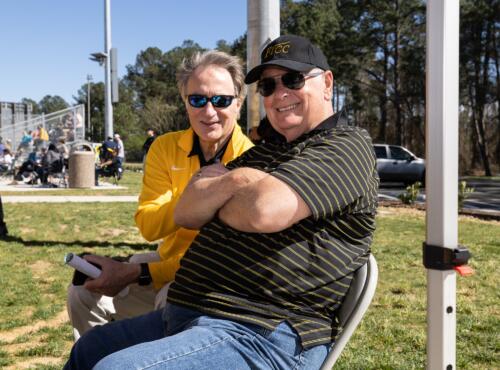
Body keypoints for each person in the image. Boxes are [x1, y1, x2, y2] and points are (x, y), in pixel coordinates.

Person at [64, 35, 378, 370]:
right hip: (195, 313)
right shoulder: (267, 152)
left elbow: (261, 211)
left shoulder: (346, 146)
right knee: (89, 349)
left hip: (263, 333)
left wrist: (233, 182)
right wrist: (244, 186)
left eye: (293, 79)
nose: (279, 93)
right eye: (268, 86)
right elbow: (186, 211)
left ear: (327, 83)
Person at [66, 49, 253, 340]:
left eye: (221, 100)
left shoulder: (252, 162)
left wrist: (140, 272)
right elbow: (149, 225)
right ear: (185, 103)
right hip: (160, 268)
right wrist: (196, 197)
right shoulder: (164, 148)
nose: (209, 111)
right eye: (197, 100)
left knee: (173, 297)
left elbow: (218, 259)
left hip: (211, 283)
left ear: (239, 104)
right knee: (82, 292)